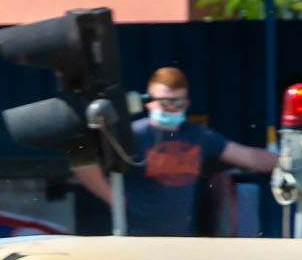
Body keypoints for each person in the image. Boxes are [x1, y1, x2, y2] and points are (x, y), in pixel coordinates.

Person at [71, 66, 276, 237]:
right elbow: (83, 164)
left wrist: (287, 160)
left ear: (187, 103)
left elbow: (248, 157)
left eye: (178, 102)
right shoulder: (131, 135)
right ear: (148, 102)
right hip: (135, 242)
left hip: (181, 241)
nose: (172, 108)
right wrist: (114, 199)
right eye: (166, 102)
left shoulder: (200, 136)